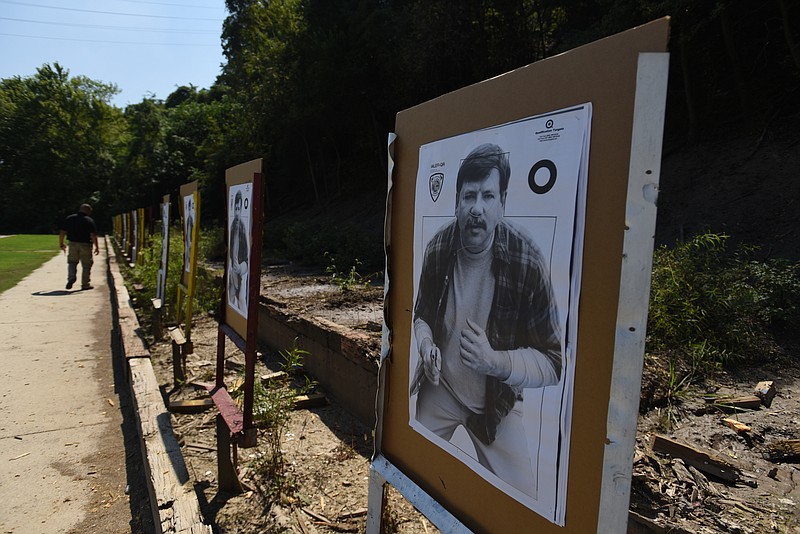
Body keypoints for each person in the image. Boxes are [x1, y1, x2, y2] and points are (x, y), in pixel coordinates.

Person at [410, 143, 563, 497]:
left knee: (522, 501)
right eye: (469, 196)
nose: (477, 208)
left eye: (487, 196)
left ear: (502, 202)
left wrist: (496, 361)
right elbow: (421, 314)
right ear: (457, 202)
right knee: (412, 470)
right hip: (441, 389)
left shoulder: (528, 261)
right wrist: (426, 344)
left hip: (497, 405)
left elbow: (554, 363)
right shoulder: (439, 248)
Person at [59, 203, 100, 290]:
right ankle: (85, 284)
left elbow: (62, 232)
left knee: (72, 262)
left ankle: (71, 277)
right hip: (85, 244)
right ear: (88, 211)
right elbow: (93, 235)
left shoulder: (70, 218)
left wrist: (61, 243)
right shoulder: (89, 220)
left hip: (73, 243)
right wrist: (97, 247)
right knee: (86, 265)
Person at [228, 191, 249, 310]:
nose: (236, 212)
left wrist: (241, 266)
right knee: (231, 295)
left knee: (241, 298)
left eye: (238, 208)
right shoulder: (232, 225)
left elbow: (245, 251)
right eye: (235, 208)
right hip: (234, 266)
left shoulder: (241, 226)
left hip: (241, 266)